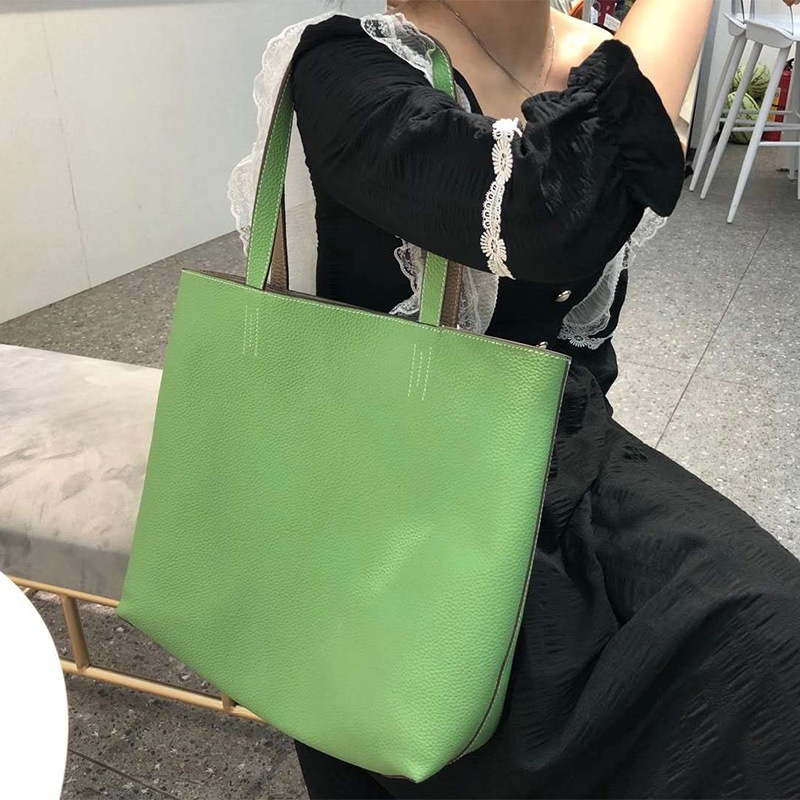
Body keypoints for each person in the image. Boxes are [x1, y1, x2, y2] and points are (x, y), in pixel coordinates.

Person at [229, 1, 800, 797]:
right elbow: (546, 210)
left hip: (547, 460)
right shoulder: (344, 63)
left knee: (763, 641)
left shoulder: (599, 63)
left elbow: (581, 339)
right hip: (373, 500)